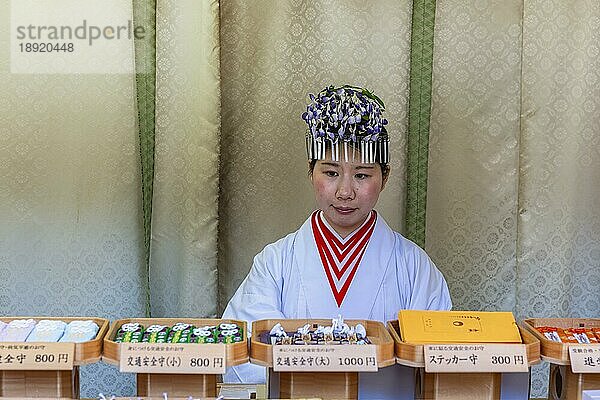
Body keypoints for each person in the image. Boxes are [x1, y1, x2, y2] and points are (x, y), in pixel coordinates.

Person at [222, 85, 451, 398]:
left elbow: (439, 360)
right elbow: (244, 353)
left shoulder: (414, 267)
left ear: (384, 177)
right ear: (310, 172)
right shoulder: (275, 263)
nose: (345, 192)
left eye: (361, 175)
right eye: (330, 172)